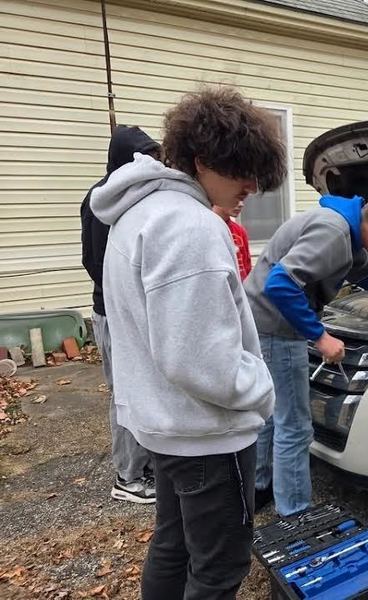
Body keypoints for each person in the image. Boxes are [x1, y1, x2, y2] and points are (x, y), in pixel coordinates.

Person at [90, 86, 285, 600]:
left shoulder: (139, 214)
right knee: (220, 568)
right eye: (240, 169)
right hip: (207, 433)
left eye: (257, 172)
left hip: (166, 425)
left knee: (174, 545)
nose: (252, 185)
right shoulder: (189, 226)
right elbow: (197, 358)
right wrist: (259, 392)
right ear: (200, 160)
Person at [244, 192, 368, 516]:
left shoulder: (349, 233)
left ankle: (259, 487)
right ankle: (295, 516)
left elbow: (367, 276)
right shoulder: (333, 231)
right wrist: (320, 336)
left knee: (273, 412)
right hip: (276, 329)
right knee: (295, 426)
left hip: (262, 321)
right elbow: (280, 284)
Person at [80, 125, 160, 504]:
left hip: (124, 309)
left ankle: (143, 466)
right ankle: (127, 477)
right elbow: (96, 261)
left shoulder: (127, 194)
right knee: (124, 394)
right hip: (111, 312)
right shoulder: (104, 199)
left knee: (141, 388)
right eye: (142, 156)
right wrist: (120, 293)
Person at [212, 200, 252, 280]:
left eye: (242, 199)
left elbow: (247, 267)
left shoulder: (239, 231)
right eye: (236, 198)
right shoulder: (206, 229)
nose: (241, 204)